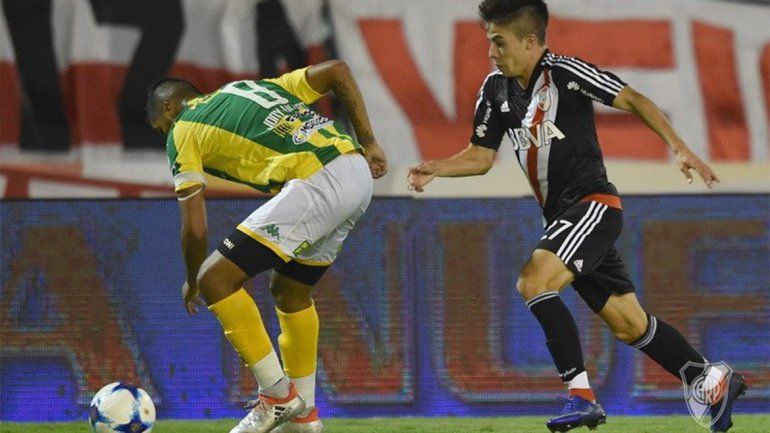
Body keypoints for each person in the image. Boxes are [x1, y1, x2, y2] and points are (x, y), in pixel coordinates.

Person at [407, 1, 746, 432]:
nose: (492, 52)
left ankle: (581, 396)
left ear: (530, 41)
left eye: (499, 42)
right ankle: (709, 376)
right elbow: (480, 156)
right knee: (629, 325)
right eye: (489, 41)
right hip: (563, 218)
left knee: (534, 280)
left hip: (592, 205)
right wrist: (437, 167)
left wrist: (679, 147)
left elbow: (633, 98)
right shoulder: (495, 89)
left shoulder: (565, 74)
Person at [146, 60, 387, 433]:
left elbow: (194, 230)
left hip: (319, 180)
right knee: (289, 292)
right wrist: (369, 140)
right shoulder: (249, 88)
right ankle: (304, 418)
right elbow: (338, 70)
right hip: (355, 171)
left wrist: (194, 279)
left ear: (168, 109)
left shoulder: (183, 130)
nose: (164, 136)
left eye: (159, 129)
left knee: (215, 279)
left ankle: (276, 397)